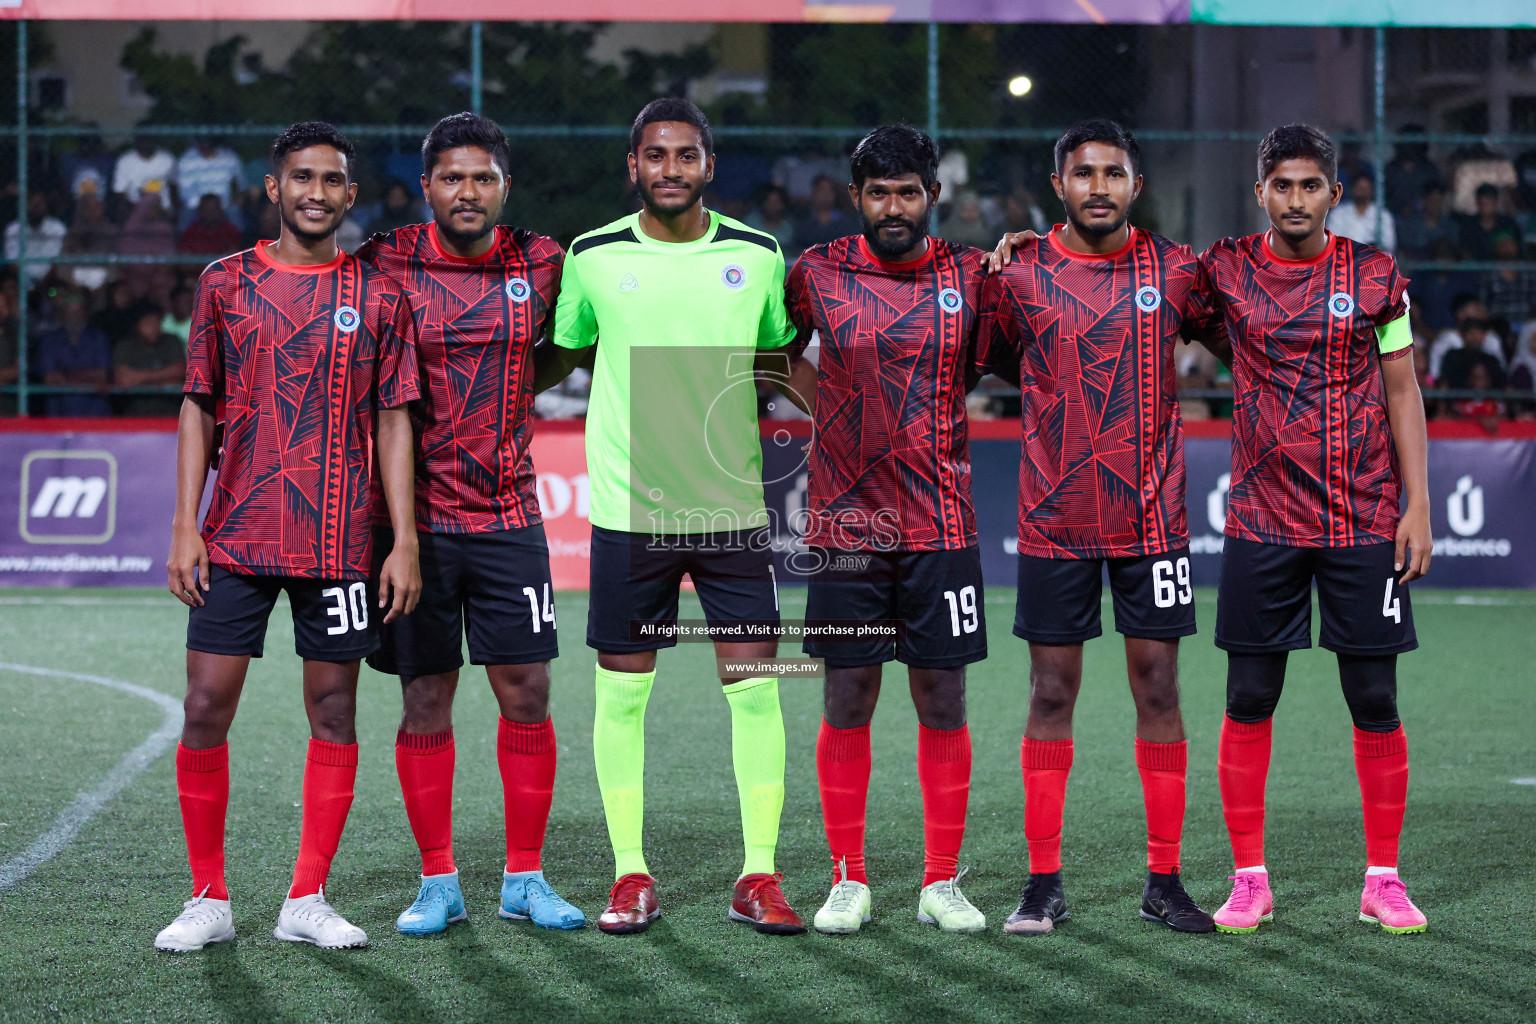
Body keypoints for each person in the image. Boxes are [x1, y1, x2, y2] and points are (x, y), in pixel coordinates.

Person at [537, 97, 813, 937]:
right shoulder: (590, 256)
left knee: (757, 691)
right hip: (628, 512)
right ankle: (629, 876)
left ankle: (757, 877)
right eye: (655, 156)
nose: (670, 169)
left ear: (708, 165)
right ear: (634, 167)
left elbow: (776, 355)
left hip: (730, 509)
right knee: (622, 700)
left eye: (685, 156)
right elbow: (569, 348)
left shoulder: (759, 255)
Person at [154, 122, 422, 954]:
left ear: (350, 194)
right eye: (300, 177)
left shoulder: (380, 295)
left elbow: (393, 421)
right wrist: (183, 524)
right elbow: (200, 402)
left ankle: (307, 896)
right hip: (235, 533)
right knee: (204, 706)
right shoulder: (225, 283)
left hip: (341, 540)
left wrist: (403, 539)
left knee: (335, 709)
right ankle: (208, 898)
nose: (315, 191)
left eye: (332, 179)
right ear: (273, 189)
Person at [980, 119, 1227, 937]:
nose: (1098, 186)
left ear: (1136, 184)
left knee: (1159, 688)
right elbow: (996, 357)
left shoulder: (1180, 271)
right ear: (1059, 185)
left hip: (1152, 521)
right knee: (1051, 691)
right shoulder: (1019, 272)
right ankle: (1042, 882)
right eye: (1083, 173)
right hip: (1055, 521)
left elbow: (1251, 337)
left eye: (1113, 172)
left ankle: (1164, 879)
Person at [1196, 124, 1432, 935]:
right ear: (1259, 191)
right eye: (1281, 185)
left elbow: (1402, 390)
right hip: (1262, 518)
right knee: (1250, 695)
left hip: (1363, 517)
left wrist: (1418, 504)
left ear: (1336, 194)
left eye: (1310, 185)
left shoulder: (1375, 276)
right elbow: (1133, 271)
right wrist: (1032, 245)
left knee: (1373, 696)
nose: (1295, 199)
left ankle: (1383, 878)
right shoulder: (1223, 269)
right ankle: (1249, 878)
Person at [355, 112, 584, 935]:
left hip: (511, 514)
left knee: (527, 690)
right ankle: (437, 881)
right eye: (452, 177)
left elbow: (580, 338)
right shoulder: (385, 260)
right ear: (427, 188)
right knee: (425, 697)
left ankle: (525, 878)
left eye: (483, 177)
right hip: (413, 524)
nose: (468, 191)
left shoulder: (544, 260)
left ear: (504, 187)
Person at [785, 124, 988, 936]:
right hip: (847, 522)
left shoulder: (974, 276)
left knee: (942, 695)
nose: (894, 207)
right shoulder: (819, 273)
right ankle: (847, 878)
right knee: (847, 694)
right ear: (856, 197)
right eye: (879, 193)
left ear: (932, 195)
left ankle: (942, 881)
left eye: (909, 192)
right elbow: (773, 354)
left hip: (942, 521)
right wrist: (838, 412)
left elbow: (991, 361)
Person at [34, 286, 111, 416]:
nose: (74, 316)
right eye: (70, 311)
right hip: (59, 414)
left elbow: (102, 375)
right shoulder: (49, 341)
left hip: (95, 415)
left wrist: (65, 375)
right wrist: (89, 379)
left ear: (85, 313)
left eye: (78, 311)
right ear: (62, 314)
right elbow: (50, 379)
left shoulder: (98, 338)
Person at [112, 302, 185, 416]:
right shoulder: (125, 346)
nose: (154, 328)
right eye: (148, 324)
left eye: (157, 323)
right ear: (137, 326)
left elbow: (180, 371)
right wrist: (164, 377)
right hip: (136, 415)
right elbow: (123, 380)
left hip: (171, 414)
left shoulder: (172, 341)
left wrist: (138, 377)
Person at [1431, 295, 1505, 381]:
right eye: (1477, 308)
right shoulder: (1447, 339)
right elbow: (1435, 375)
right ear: (1460, 314)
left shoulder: (1491, 338)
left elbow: (1501, 372)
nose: (1483, 312)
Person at [5, 191, 67, 287]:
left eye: (39, 204)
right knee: (9, 286)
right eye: (33, 204)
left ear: (46, 207)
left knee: (55, 291)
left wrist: (41, 285)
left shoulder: (57, 229)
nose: (36, 208)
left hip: (49, 282)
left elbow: (57, 263)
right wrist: (27, 283)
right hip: (21, 282)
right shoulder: (13, 230)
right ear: (25, 207)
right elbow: (12, 264)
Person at [175, 138, 246, 219]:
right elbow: (180, 189)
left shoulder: (230, 158)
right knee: (186, 216)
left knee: (235, 213)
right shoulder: (186, 159)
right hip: (194, 208)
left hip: (224, 207)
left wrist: (235, 204)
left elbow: (241, 187)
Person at [1328, 174, 1396, 253]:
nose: (1362, 191)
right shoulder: (1339, 213)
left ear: (1372, 190)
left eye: (1366, 188)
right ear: (1352, 189)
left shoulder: (1383, 215)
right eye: (1359, 188)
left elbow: (1389, 244)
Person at [112, 134, 178, 215]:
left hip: (163, 211)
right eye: (142, 140)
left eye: (148, 140)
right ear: (136, 141)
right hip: (135, 210)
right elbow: (120, 192)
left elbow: (174, 187)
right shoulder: (125, 161)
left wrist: (172, 211)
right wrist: (138, 210)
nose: (146, 144)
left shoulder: (167, 159)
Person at [1458, 182, 1522, 261]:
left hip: (1503, 268)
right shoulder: (1469, 226)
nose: (1485, 207)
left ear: (1496, 203)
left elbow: (1516, 250)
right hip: (1476, 268)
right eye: (1482, 204)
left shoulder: (1508, 224)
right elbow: (1464, 251)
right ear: (1477, 203)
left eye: (1488, 203)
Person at [1397, 181, 1457, 261]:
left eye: (1438, 200)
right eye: (1432, 200)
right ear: (1424, 201)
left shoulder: (1450, 224)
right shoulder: (1412, 224)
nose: (1435, 204)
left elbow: (1453, 247)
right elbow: (1407, 248)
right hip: (1418, 267)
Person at [794, 174, 849, 255]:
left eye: (830, 190)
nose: (826, 194)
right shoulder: (802, 224)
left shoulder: (847, 224)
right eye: (822, 190)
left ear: (835, 195)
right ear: (813, 192)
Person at [179, 195, 243, 257]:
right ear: (200, 211)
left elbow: (233, 255)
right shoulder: (190, 231)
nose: (210, 213)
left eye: (214, 209)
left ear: (220, 211)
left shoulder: (230, 231)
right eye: (206, 209)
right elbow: (185, 257)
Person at [743, 183, 796, 251]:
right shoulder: (750, 224)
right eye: (769, 201)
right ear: (762, 203)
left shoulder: (791, 227)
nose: (773, 206)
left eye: (776, 202)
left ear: (783, 204)